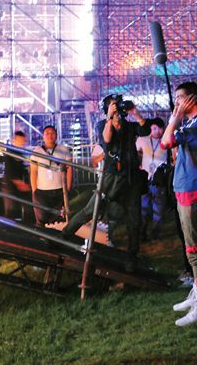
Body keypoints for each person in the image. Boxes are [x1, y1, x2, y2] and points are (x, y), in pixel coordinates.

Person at [61, 95, 150, 268]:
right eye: (113, 106)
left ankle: (132, 256)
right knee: (91, 209)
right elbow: (107, 139)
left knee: (134, 218)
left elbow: (145, 130)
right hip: (112, 177)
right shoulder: (102, 124)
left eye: (118, 106)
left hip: (131, 177)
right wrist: (109, 117)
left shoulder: (130, 126)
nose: (117, 109)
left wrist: (135, 112)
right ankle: (65, 234)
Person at [161, 81, 197, 327]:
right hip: (183, 187)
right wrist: (176, 120)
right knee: (189, 246)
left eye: (180, 98)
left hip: (192, 189)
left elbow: (165, 143)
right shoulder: (191, 122)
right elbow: (168, 141)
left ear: (192, 98)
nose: (176, 104)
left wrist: (174, 119)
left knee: (195, 249)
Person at [30, 125, 73, 227]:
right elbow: (33, 172)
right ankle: (43, 240)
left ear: (56, 135)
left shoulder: (64, 150)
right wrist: (34, 191)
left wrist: (67, 189)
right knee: (42, 221)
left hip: (59, 191)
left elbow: (70, 170)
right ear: (43, 136)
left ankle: (58, 241)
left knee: (59, 221)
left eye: (52, 133)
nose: (50, 136)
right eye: (47, 133)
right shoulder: (37, 151)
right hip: (42, 192)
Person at [136, 117, 169, 241]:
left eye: (160, 128)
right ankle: (142, 233)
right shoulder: (143, 140)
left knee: (158, 210)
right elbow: (136, 152)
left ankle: (155, 234)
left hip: (160, 180)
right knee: (143, 208)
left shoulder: (166, 142)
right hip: (145, 179)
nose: (158, 131)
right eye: (155, 128)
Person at [1, 131, 32, 221]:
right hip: (10, 186)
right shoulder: (10, 152)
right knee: (11, 211)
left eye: (23, 141)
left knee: (26, 208)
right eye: (21, 140)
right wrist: (20, 184)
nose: (23, 143)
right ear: (14, 140)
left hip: (18, 185)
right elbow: (10, 171)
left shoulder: (19, 153)